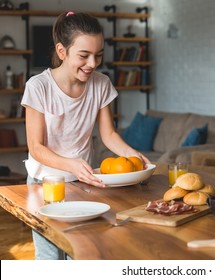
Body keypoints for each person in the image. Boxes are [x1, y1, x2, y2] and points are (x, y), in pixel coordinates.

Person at [21, 11, 150, 260]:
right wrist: (71, 165)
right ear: (62, 51)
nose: (92, 63)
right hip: (45, 183)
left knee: (81, 252)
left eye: (98, 55)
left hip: (83, 183)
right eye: (84, 55)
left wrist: (132, 155)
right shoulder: (39, 87)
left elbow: (109, 134)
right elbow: (36, 147)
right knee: (50, 257)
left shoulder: (101, 84)